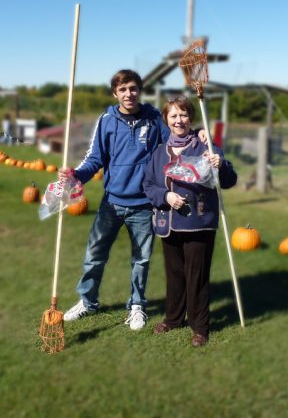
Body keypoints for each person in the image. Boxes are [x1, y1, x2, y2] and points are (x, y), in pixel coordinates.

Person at [60, 70, 205, 330]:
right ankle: (87, 300)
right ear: (115, 93)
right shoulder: (107, 120)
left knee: (141, 259)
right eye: (123, 89)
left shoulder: (152, 119)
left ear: (140, 91)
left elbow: (176, 137)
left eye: (133, 88)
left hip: (143, 204)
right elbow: (96, 158)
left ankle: (137, 305)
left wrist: (200, 133)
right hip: (112, 203)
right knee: (94, 254)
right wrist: (76, 176)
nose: (129, 94)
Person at [143, 96, 237, 346]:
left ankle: (200, 327)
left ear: (191, 118)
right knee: (174, 274)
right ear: (166, 120)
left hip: (199, 220)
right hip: (168, 222)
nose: (179, 120)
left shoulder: (206, 147)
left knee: (196, 275)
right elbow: (149, 185)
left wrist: (221, 166)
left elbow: (228, 181)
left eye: (183, 115)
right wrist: (165, 195)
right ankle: (173, 319)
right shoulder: (159, 153)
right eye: (173, 116)